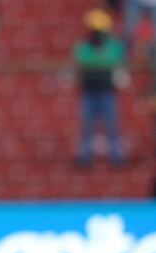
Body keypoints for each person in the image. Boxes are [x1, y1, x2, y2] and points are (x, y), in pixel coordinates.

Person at [74, 8, 126, 166]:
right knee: (86, 126)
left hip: (106, 91)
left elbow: (113, 57)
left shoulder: (113, 46)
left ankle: (116, 155)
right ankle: (84, 156)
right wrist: (100, 59)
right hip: (88, 92)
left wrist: (99, 58)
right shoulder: (83, 46)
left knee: (111, 125)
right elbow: (82, 58)